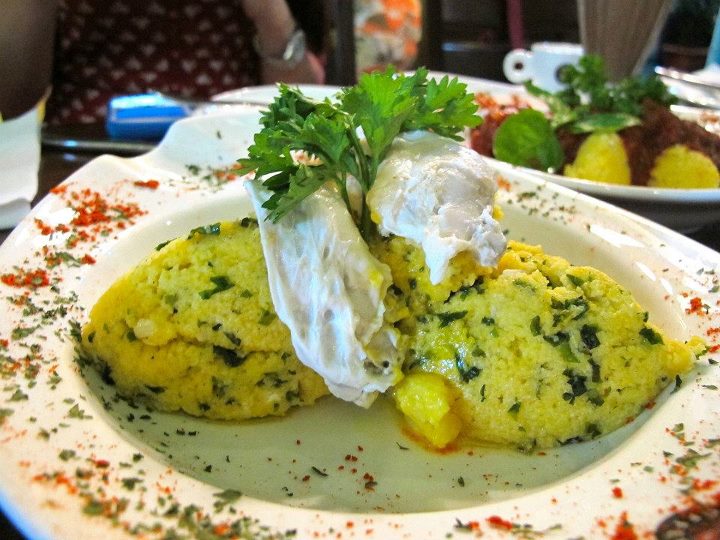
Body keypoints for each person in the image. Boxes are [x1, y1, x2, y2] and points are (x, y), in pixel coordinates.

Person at [45, 0, 325, 125]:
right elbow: (20, 96)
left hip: (235, 135)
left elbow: (300, 108)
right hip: (81, 139)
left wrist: (269, 12)